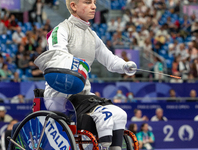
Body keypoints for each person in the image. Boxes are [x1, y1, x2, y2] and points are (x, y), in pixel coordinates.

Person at [34, 0, 137, 149]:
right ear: (74, 6)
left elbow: (110, 60)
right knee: (105, 116)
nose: (94, 6)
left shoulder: (92, 36)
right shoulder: (60, 30)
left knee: (120, 114)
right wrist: (76, 64)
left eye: (94, 2)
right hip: (60, 97)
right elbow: (58, 55)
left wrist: (125, 66)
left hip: (83, 97)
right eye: (88, 2)